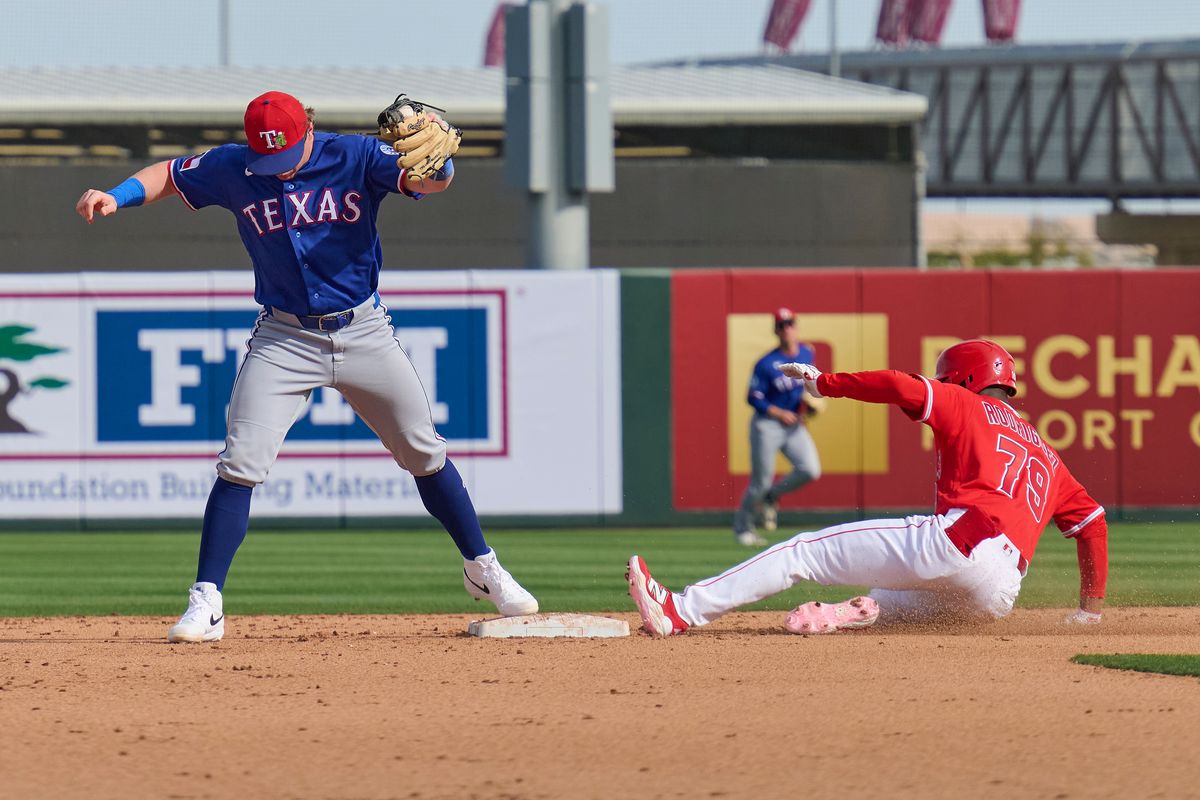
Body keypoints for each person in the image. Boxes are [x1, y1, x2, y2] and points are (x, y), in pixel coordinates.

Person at [75, 90, 537, 643]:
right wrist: (116, 196)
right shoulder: (233, 165)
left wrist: (442, 162)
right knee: (240, 463)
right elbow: (168, 176)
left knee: (424, 452)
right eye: (264, 155)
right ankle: (207, 602)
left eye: (285, 152)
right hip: (284, 336)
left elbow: (429, 182)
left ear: (307, 132)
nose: (274, 165)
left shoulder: (357, 156)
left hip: (363, 329)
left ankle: (483, 570)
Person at [628, 339, 1108, 636]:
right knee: (893, 595)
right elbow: (1092, 525)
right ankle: (853, 612)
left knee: (801, 553)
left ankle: (680, 610)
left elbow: (901, 385)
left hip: (961, 541)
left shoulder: (964, 403)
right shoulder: (1048, 453)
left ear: (965, 379)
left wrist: (826, 383)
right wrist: (1089, 613)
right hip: (999, 593)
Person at [733, 307, 823, 546]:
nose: (787, 329)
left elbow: (804, 388)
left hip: (794, 425)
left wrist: (808, 407)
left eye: (790, 323)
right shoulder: (766, 363)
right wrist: (779, 412)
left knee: (810, 469)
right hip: (767, 425)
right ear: (776, 330)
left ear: (797, 326)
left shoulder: (806, 353)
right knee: (760, 482)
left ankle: (773, 495)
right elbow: (753, 397)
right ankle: (743, 528)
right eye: (782, 325)